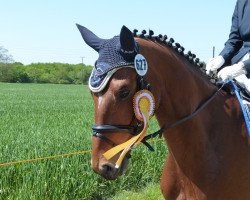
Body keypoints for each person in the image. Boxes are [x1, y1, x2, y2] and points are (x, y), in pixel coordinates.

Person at [206, 0, 250, 93]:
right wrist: (222, 57)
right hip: (239, 60)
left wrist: (243, 67)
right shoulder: (241, 2)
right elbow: (234, 40)